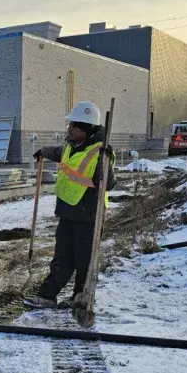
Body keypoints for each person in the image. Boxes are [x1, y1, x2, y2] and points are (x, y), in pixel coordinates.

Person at [24, 101, 116, 309]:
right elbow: (59, 152)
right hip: (67, 212)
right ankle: (47, 296)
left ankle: (80, 298)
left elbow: (109, 183)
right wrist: (43, 151)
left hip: (89, 215)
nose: (70, 128)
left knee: (84, 262)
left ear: (86, 128)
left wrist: (106, 164)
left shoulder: (100, 152)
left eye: (74, 125)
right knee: (62, 257)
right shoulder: (70, 145)